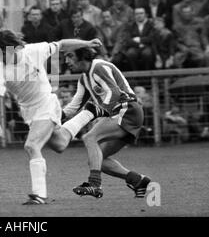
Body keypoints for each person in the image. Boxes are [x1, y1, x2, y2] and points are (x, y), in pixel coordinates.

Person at [0, 29, 101, 204]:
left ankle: (39, 195)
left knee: (31, 146)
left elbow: (62, 44)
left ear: (13, 48)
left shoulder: (34, 51)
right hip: (29, 112)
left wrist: (86, 43)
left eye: (1, 53)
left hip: (47, 104)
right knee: (60, 144)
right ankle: (89, 112)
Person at [49, 47, 152, 198]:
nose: (66, 61)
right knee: (98, 160)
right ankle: (137, 180)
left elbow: (114, 93)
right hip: (121, 113)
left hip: (127, 109)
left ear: (82, 55)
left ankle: (94, 185)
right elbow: (74, 106)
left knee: (89, 138)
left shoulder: (98, 67)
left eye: (70, 56)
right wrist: (53, 119)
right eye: (65, 57)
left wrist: (101, 110)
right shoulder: (84, 78)